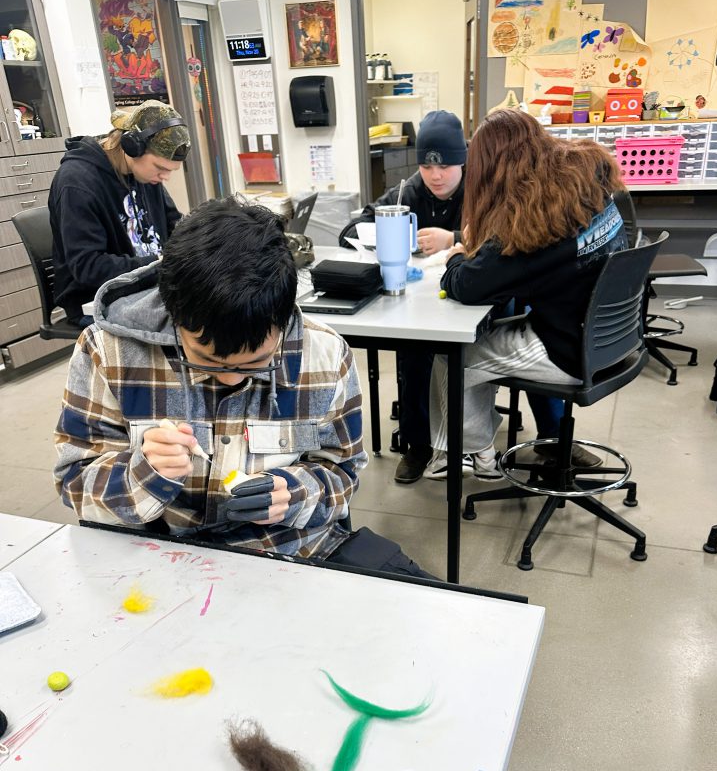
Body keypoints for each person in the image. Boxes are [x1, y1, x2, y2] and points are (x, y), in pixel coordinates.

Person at [53, 197, 432, 580]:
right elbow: (75, 483)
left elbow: (342, 470)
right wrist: (144, 473)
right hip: (160, 564)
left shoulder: (325, 355)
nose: (232, 378)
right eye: (206, 359)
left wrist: (293, 493)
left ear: (283, 320)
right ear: (173, 314)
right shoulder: (109, 351)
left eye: (256, 362)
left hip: (288, 556)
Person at [425, 109, 627, 479]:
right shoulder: (585, 181)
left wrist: (455, 257)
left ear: (495, 167)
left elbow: (468, 286)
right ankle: (534, 439)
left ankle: (473, 454)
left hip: (569, 349)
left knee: (453, 356)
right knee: (503, 324)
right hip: (613, 337)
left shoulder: (531, 220)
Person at [340, 110, 466, 483]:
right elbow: (352, 227)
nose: (436, 176)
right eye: (428, 167)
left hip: (469, 296)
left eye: (445, 165)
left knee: (456, 359)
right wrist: (390, 233)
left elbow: (504, 234)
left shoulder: (482, 188)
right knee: (412, 354)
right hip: (421, 300)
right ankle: (417, 446)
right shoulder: (408, 190)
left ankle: (467, 441)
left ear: (462, 160)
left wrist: (455, 238)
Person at [49, 99, 190, 329]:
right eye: (161, 168)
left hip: (146, 283)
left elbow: (174, 224)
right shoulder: (77, 183)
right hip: (98, 296)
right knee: (194, 321)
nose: (165, 177)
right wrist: (159, 263)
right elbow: (88, 267)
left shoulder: (144, 174)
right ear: (132, 147)